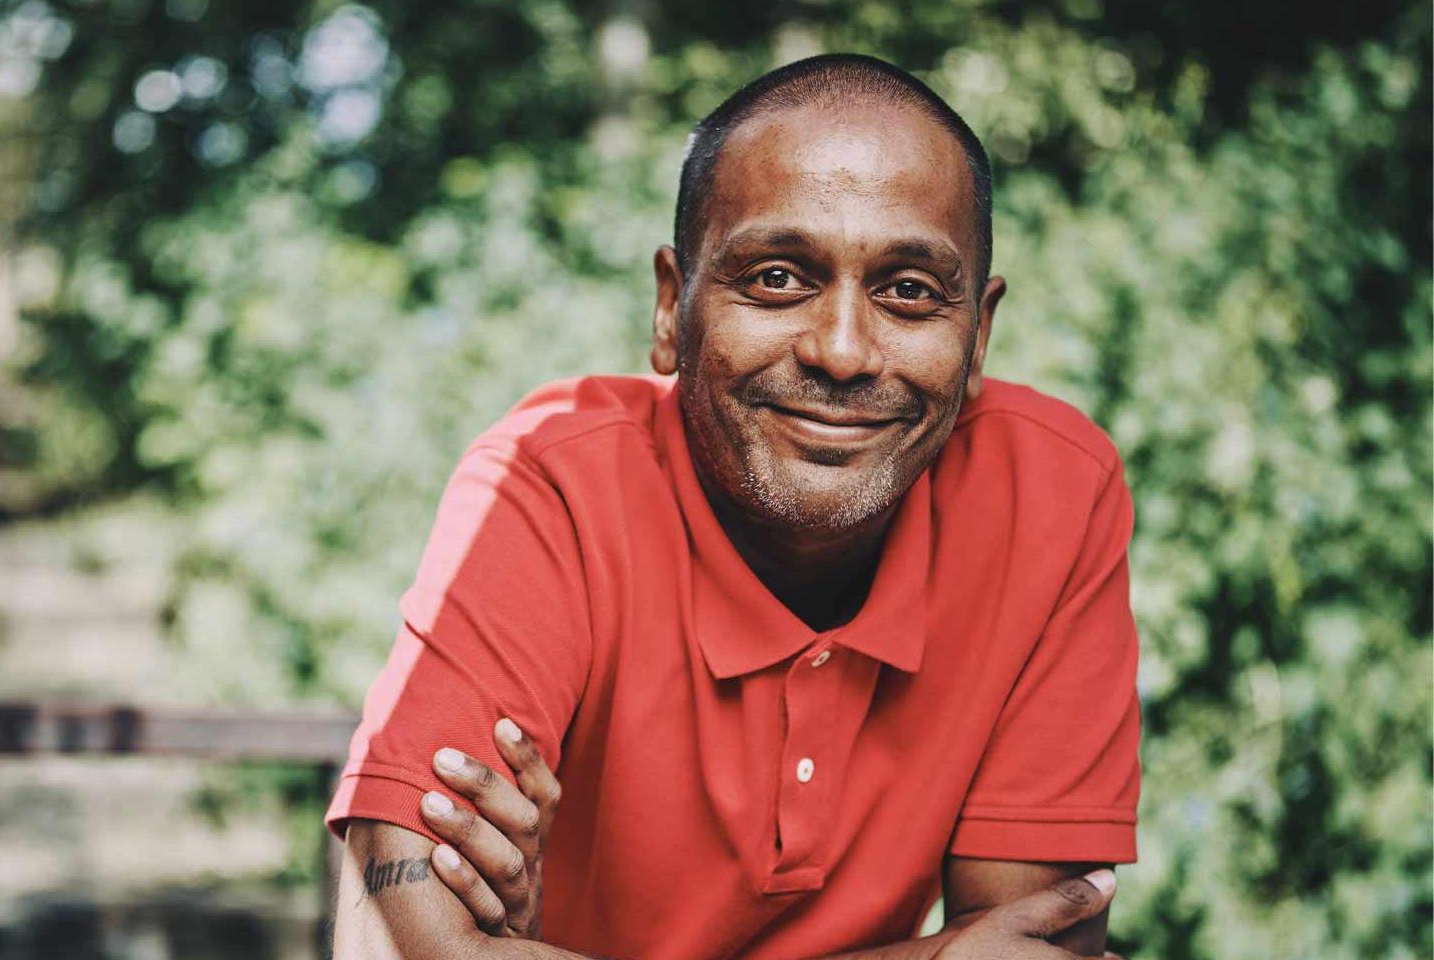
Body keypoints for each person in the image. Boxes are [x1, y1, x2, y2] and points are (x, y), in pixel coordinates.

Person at [327, 53, 1141, 960]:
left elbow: (1040, 950)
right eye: (777, 278)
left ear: (978, 333)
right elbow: (391, 947)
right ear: (673, 308)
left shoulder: (1054, 492)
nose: (841, 350)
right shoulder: (554, 482)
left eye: (909, 291)